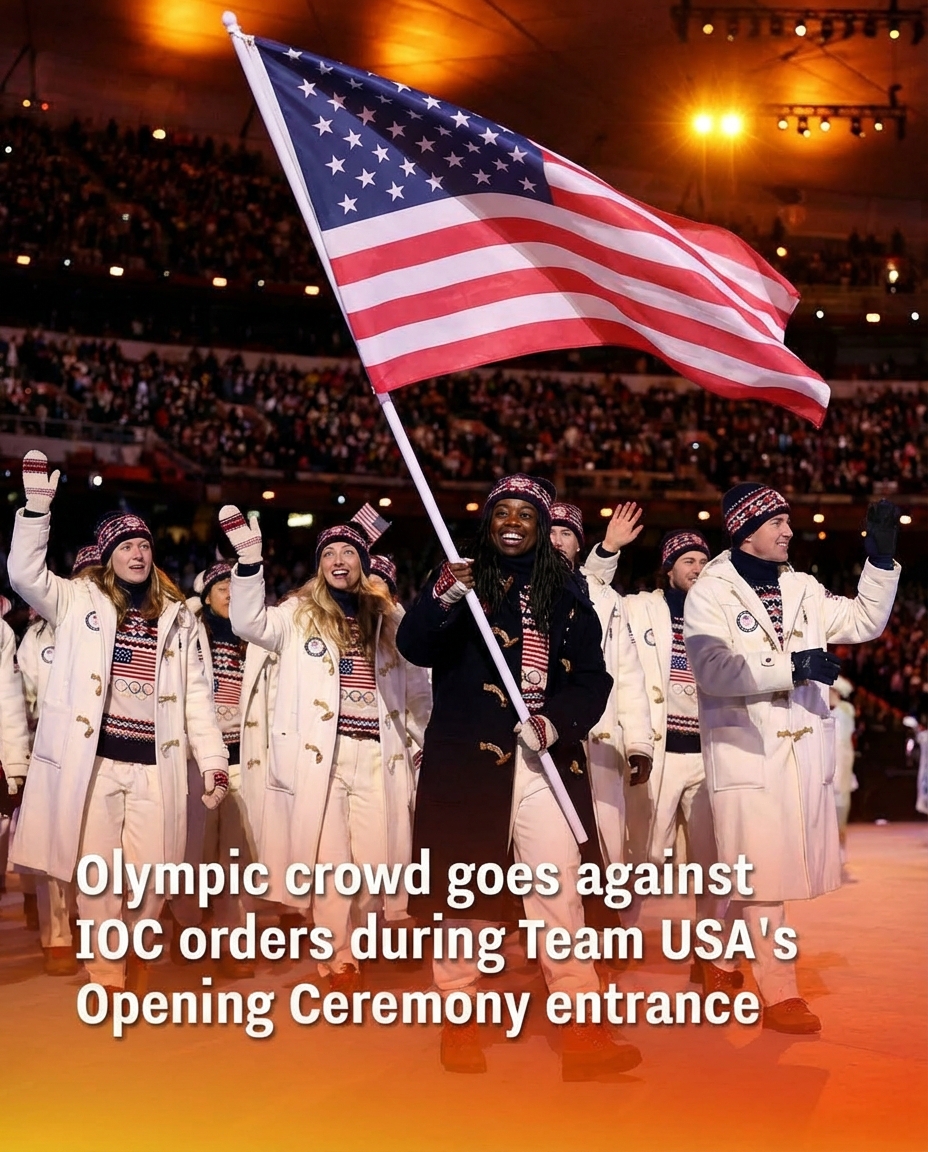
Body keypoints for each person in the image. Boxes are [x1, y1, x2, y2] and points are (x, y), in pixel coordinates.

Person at [396, 474, 639, 1081]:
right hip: (468, 766)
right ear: (488, 522)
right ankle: (459, 1017)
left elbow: (593, 680)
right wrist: (444, 595)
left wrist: (556, 723)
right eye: (500, 511)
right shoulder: (461, 579)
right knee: (467, 899)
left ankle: (582, 1028)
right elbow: (414, 645)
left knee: (558, 892)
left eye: (524, 514)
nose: (512, 522)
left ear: (539, 523)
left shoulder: (572, 594)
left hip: (545, 765)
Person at [8, 450, 229, 992]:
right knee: (98, 869)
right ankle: (108, 971)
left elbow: (197, 696)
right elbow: (23, 575)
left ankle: (137, 940)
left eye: (144, 544)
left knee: (154, 871)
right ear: (109, 557)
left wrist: (214, 761)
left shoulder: (176, 618)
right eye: (126, 545)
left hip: (157, 765)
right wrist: (38, 508)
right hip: (97, 764)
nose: (137, 552)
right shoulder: (77, 598)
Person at [684, 484, 900, 1033]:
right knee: (761, 877)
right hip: (745, 753)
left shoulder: (802, 586)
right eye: (777, 521)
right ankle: (780, 992)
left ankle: (715, 956)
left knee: (752, 871)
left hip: (799, 754)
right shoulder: (710, 593)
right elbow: (713, 671)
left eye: (787, 520)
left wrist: (878, 562)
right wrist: (793, 667)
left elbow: (862, 623)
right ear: (745, 529)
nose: (788, 531)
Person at [222, 503, 431, 992]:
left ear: (362, 562)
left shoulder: (387, 617)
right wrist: (250, 564)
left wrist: (425, 738)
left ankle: (354, 943)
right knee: (331, 861)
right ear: (319, 564)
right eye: (329, 552)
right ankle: (339, 960)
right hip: (325, 758)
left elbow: (418, 683)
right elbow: (249, 623)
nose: (339, 559)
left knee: (374, 860)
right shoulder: (295, 615)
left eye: (349, 552)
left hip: (380, 756)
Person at [548, 501, 653, 879]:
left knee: (604, 848)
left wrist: (640, 742)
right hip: (544, 738)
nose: (557, 541)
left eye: (566, 534)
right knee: (549, 852)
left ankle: (603, 927)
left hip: (600, 741)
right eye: (551, 532)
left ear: (579, 545)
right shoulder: (522, 590)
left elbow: (629, 676)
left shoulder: (609, 602)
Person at [17, 543, 100, 975]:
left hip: (99, 753)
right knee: (54, 850)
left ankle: (92, 925)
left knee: (93, 846)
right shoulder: (38, 639)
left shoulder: (116, 632)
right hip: (51, 752)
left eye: (97, 574)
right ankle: (58, 935)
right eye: (83, 575)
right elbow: (25, 695)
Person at [829, 676, 858, 879]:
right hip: (829, 772)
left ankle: (839, 853)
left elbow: (843, 745)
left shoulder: (844, 712)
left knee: (840, 816)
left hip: (842, 773)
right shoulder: (826, 714)